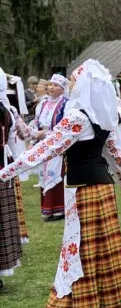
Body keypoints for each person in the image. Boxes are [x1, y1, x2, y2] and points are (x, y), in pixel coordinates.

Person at [0, 60, 121, 308]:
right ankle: (106, 306)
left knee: (81, 248)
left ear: (83, 85)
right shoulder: (102, 114)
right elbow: (115, 154)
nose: (70, 84)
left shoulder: (77, 118)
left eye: (73, 80)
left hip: (82, 189)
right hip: (103, 188)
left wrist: (7, 171)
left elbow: (47, 148)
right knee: (102, 249)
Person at [0, 68, 36, 283]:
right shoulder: (8, 109)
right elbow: (24, 134)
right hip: (4, 169)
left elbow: (24, 134)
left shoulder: (8, 110)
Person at [34, 74, 69, 220]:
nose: (51, 87)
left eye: (55, 85)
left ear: (62, 88)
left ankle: (58, 209)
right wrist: (36, 134)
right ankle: (47, 208)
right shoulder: (43, 103)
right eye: (50, 85)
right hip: (43, 143)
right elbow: (37, 120)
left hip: (56, 143)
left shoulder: (66, 103)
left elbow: (65, 124)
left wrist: (48, 133)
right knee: (44, 174)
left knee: (56, 174)